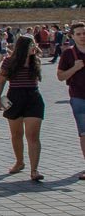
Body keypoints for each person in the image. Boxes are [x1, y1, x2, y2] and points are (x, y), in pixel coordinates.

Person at [0, 35, 45, 181]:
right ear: (23, 47)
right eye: (31, 45)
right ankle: (19, 162)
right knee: (16, 134)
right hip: (15, 97)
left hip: (33, 98)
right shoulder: (8, 62)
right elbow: (1, 81)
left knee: (33, 136)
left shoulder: (36, 61)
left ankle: (34, 170)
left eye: (34, 45)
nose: (34, 47)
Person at [56, 21, 85, 180]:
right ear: (72, 36)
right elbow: (60, 76)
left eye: (84, 33)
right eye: (78, 34)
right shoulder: (68, 54)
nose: (82, 37)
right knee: (84, 133)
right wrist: (75, 68)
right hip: (78, 97)